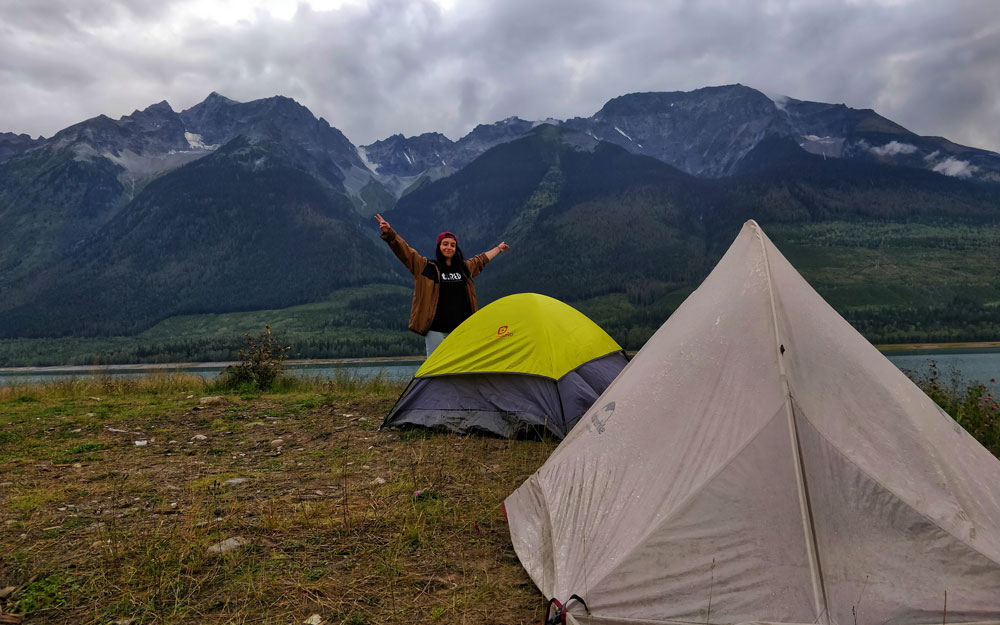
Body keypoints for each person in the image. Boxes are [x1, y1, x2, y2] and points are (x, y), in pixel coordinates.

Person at [374, 213, 509, 356]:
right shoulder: (426, 267)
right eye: (445, 244)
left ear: (456, 249)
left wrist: (498, 249)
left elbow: (480, 260)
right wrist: (390, 234)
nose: (449, 247)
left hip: (462, 328)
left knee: (461, 365)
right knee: (435, 367)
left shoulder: (464, 268)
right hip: (436, 329)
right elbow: (406, 252)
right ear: (439, 246)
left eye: (452, 245)